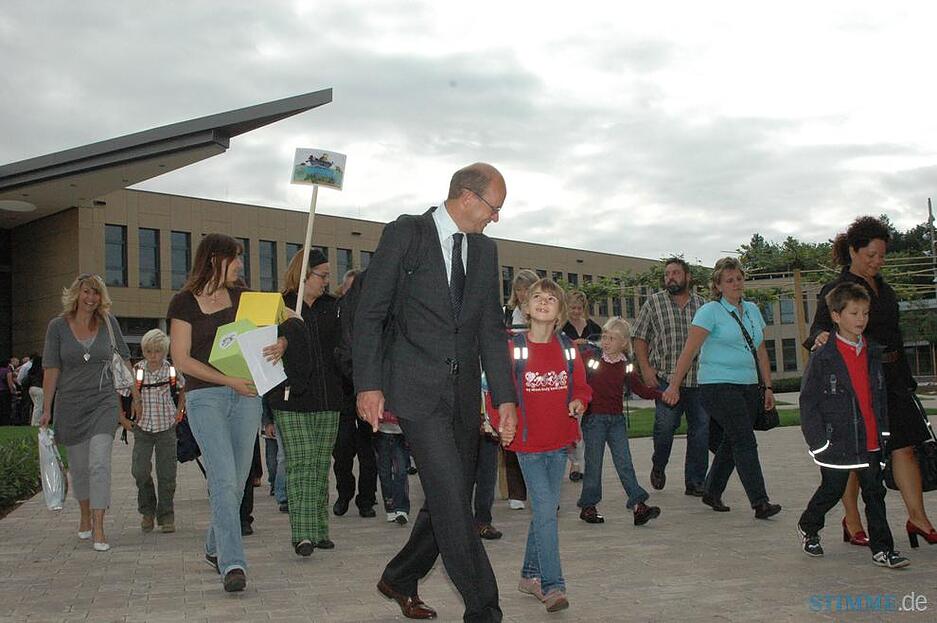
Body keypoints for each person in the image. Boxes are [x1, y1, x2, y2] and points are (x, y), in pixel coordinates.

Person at [354, 162, 517, 622]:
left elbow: (490, 328)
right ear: (467, 196)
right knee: (451, 499)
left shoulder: (484, 250)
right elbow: (370, 313)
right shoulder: (406, 233)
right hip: (415, 390)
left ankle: (400, 576)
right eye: (494, 207)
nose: (496, 217)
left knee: (450, 498)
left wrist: (504, 397)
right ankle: (484, 611)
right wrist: (368, 384)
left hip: (462, 396)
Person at [806, 216, 936, 548]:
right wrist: (821, 337)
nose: (878, 261)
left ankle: (918, 519)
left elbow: (895, 337)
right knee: (852, 458)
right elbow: (818, 329)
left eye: (882, 255)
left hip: (893, 380)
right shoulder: (837, 290)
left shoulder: (886, 289)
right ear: (854, 250)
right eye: (872, 255)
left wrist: (906, 382)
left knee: (905, 448)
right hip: (857, 383)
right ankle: (852, 521)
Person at [168, 234, 284, 592]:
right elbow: (181, 359)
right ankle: (233, 564)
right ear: (215, 259)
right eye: (235, 258)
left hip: (247, 397)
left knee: (236, 480)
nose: (240, 264)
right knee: (223, 479)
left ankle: (213, 544)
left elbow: (287, 318)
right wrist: (227, 380)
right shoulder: (183, 302)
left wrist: (282, 342)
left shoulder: (244, 297)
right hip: (205, 398)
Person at [798, 283, 910, 568]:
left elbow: (879, 398)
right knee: (832, 490)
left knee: (875, 494)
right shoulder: (823, 357)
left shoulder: (873, 353)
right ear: (836, 316)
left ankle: (883, 549)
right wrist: (818, 443)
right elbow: (808, 402)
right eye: (854, 313)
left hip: (870, 440)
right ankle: (809, 526)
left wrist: (884, 434)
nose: (861, 319)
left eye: (865, 313)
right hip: (837, 441)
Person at [663, 257, 781, 520]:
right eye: (729, 280)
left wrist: (768, 387)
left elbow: (761, 351)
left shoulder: (752, 310)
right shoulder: (710, 312)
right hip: (717, 386)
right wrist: (674, 385)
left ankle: (712, 490)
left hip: (748, 385)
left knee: (733, 439)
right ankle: (760, 502)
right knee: (745, 440)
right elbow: (690, 350)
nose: (736, 283)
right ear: (718, 285)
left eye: (739, 278)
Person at [507, 278, 591, 613]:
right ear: (526, 308)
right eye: (537, 297)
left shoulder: (568, 348)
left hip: (559, 443)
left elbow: (582, 387)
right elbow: (496, 392)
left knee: (545, 510)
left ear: (560, 312)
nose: (543, 302)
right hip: (527, 444)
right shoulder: (514, 348)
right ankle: (553, 586)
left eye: (551, 299)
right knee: (546, 511)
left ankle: (529, 575)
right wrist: (501, 424)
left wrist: (580, 402)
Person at [40, 273, 141, 551]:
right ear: (76, 294)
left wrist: (136, 395)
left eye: (96, 293)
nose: (91, 298)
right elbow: (51, 368)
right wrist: (46, 409)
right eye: (86, 292)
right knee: (80, 468)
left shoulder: (109, 323)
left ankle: (99, 525)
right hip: (70, 404)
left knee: (99, 463)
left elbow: (124, 359)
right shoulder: (57, 327)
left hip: (103, 401)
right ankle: (84, 513)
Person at [266, 248, 344, 556]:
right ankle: (302, 533)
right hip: (290, 398)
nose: (326, 281)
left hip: (329, 398)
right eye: (322, 275)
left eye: (328, 276)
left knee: (321, 464)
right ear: (303, 275)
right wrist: (285, 337)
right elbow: (262, 349)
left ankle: (319, 529)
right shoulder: (279, 308)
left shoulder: (333, 308)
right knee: (301, 461)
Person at [632, 258, 709, 496]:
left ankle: (695, 481)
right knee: (665, 426)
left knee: (701, 429)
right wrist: (645, 369)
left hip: (698, 379)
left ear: (688, 276)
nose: (670, 278)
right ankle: (659, 464)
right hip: (665, 377)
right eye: (667, 274)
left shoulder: (704, 306)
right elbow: (639, 337)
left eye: (675, 273)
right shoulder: (653, 303)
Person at [577, 317, 661, 526]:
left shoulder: (626, 365)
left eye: (611, 338)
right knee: (594, 464)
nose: (606, 341)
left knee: (625, 462)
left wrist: (662, 394)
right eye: (604, 337)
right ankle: (588, 506)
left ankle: (638, 506)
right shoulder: (592, 358)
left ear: (623, 343)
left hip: (616, 421)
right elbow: (574, 370)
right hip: (594, 420)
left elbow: (639, 389)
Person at [333, 268, 379, 518]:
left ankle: (366, 499)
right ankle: (344, 493)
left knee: (367, 450)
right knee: (342, 450)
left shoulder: (372, 318)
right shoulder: (336, 313)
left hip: (366, 388)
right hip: (342, 392)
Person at [130, 328, 185, 534]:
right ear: (143, 351)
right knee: (140, 471)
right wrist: (124, 417)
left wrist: (180, 410)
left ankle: (166, 515)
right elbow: (122, 391)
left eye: (157, 351)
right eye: (149, 351)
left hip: (166, 428)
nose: (153, 356)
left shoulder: (171, 371)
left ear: (165, 352)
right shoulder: (137, 371)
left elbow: (184, 388)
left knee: (167, 474)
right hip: (143, 428)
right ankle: (147, 511)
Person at [502, 270, 538, 508]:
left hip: (535, 377)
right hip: (513, 374)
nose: (522, 293)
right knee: (511, 430)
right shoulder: (507, 313)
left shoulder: (541, 313)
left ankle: (538, 487)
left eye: (526, 289)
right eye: (518, 289)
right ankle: (516, 492)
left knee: (535, 431)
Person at [560, 290, 598, 482]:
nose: (576, 311)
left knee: (586, 426)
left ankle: (581, 462)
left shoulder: (593, 327)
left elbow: (602, 346)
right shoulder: (561, 328)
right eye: (572, 308)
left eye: (579, 308)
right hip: (569, 379)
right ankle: (575, 462)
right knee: (573, 423)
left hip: (591, 378)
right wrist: (573, 344)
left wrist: (589, 343)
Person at [376, 410, 411, 525]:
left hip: (400, 433)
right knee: (384, 473)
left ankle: (401, 508)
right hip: (381, 432)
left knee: (400, 471)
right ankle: (390, 506)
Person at [25, 355, 44, 427]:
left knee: (36, 406)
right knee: (39, 406)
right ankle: (35, 422)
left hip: (31, 388)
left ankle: (34, 421)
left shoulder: (31, 370)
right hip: (39, 388)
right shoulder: (41, 371)